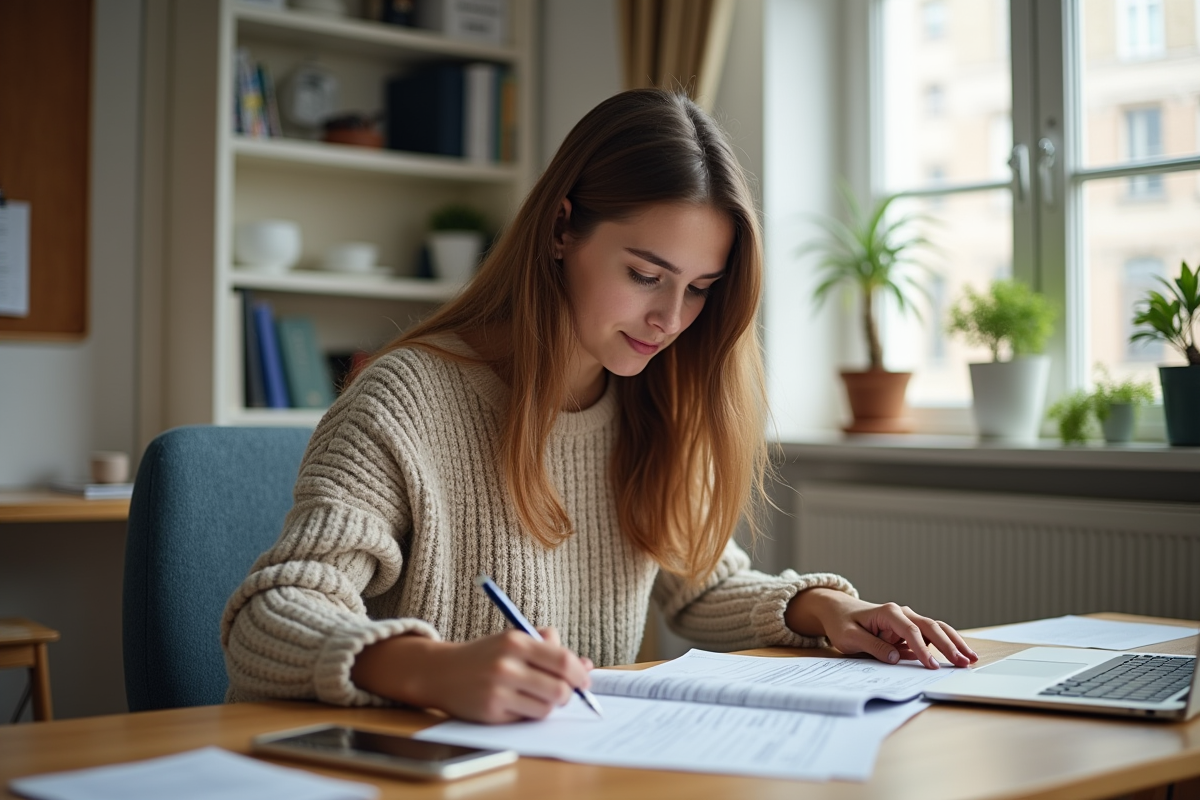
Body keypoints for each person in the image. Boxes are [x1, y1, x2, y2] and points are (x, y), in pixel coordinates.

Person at [221, 89, 978, 725]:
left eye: (701, 289)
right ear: (560, 228)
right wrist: (430, 668)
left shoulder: (653, 402)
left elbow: (705, 585)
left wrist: (826, 611)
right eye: (647, 274)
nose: (672, 319)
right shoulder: (404, 401)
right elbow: (270, 615)